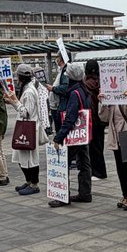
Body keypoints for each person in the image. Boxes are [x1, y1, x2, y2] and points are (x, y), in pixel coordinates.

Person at [99, 69, 127, 210]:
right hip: (116, 138)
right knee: (121, 169)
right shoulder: (111, 97)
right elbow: (104, 118)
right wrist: (103, 102)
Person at [49, 62, 92, 206]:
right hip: (83, 133)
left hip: (74, 135)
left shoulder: (74, 93)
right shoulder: (83, 90)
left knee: (64, 163)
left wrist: (58, 137)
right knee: (84, 163)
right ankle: (85, 193)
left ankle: (63, 197)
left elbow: (70, 118)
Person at [10, 63, 45, 195]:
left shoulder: (29, 91)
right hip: (25, 127)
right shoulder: (26, 88)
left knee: (30, 157)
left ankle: (34, 184)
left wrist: (15, 102)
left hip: (29, 128)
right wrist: (13, 102)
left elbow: (27, 112)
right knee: (20, 156)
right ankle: (29, 181)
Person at [84, 59, 108, 180]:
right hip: (102, 117)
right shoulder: (102, 81)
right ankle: (99, 170)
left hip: (92, 118)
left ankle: (98, 172)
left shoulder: (87, 83)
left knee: (94, 146)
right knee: (99, 145)